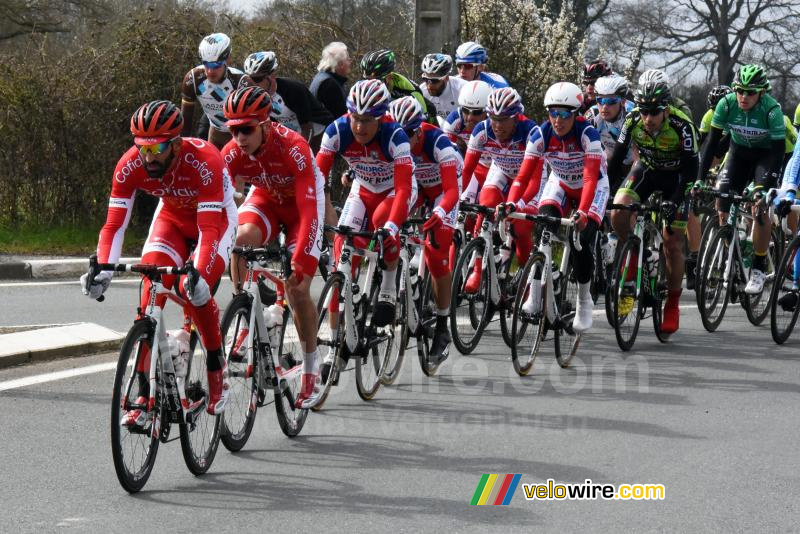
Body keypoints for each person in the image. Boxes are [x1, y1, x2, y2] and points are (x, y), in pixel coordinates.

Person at [81, 100, 237, 418]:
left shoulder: (205, 159)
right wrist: (103, 272)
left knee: (192, 287)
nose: (149, 158)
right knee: (151, 279)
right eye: (143, 149)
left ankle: (215, 368)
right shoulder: (129, 165)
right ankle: (144, 390)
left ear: (177, 144)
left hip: (215, 221)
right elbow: (113, 225)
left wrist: (197, 273)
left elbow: (208, 229)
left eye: (158, 149)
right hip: (172, 219)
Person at [220, 86, 324, 408]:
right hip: (266, 200)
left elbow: (308, 211)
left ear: (265, 124)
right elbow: (218, 206)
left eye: (247, 129)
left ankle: (311, 367)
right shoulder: (232, 153)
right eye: (233, 130)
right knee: (239, 242)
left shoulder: (294, 147)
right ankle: (243, 313)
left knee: (297, 289)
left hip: (301, 208)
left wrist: (302, 262)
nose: (239, 138)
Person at [315, 79, 416, 381]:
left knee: (385, 227)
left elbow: (402, 190)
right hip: (362, 189)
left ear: (382, 117)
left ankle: (386, 285)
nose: (360, 127)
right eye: (356, 119)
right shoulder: (337, 130)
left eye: (368, 120)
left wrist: (392, 227)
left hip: (393, 193)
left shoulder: (395, 136)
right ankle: (335, 346)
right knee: (341, 258)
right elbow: (317, 178)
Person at [505, 82, 610, 332]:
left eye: (564, 114)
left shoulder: (588, 135)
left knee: (581, 241)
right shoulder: (540, 135)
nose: (557, 120)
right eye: (553, 112)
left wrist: (583, 212)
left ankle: (584, 301)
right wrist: (511, 202)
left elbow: (589, 179)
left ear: (576, 114)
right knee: (543, 227)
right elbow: (522, 176)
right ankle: (534, 295)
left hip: (592, 186)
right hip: (561, 182)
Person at [608, 81, 699, 335]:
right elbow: (616, 161)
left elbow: (692, 170)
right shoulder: (632, 120)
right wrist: (604, 193)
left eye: (654, 112)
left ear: (666, 110)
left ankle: (672, 303)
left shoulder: (683, 126)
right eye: (643, 111)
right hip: (647, 170)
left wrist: (676, 199)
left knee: (672, 242)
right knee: (618, 212)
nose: (648, 118)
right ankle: (633, 262)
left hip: (677, 178)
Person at [698, 64, 785, 295]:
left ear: (762, 93)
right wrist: (698, 179)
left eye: (750, 92)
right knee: (722, 198)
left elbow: (777, 154)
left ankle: (757, 267)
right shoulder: (726, 104)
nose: (744, 96)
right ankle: (730, 253)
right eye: (740, 91)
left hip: (764, 157)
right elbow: (711, 145)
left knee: (759, 207)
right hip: (738, 154)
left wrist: (765, 188)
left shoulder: (772, 110)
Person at [388, 96, 462, 363]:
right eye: (398, 134)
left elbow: (452, 191)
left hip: (445, 192)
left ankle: (443, 327)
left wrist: (440, 213)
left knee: (435, 253)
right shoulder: (393, 142)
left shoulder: (440, 144)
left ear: (419, 130)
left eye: (407, 134)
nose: (402, 140)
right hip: (416, 189)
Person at [460, 87, 541, 292]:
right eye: (493, 118)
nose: (497, 125)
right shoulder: (482, 130)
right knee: (484, 206)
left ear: (516, 117)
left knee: (521, 227)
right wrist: (460, 196)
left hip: (528, 176)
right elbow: (467, 170)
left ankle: (525, 273)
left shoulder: (531, 132)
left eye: (504, 119)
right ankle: (478, 269)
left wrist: (517, 204)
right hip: (501, 170)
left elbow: (532, 180)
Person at [243, 51, 333, 143]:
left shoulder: (293, 89)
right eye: (250, 79)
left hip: (319, 133)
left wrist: (303, 150)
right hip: (295, 135)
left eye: (257, 79)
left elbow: (307, 127)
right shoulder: (257, 96)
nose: (253, 84)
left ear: (272, 75)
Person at [180, 33, 251, 150]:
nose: (210, 71)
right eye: (206, 64)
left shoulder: (242, 82)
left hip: (239, 135)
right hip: (214, 132)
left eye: (216, 65)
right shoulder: (193, 79)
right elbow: (185, 121)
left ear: (228, 60)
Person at [442, 80, 493, 203]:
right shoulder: (454, 121)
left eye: (476, 112)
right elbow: (447, 155)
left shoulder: (496, 122)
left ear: (487, 111)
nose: (469, 117)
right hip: (476, 166)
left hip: (500, 169)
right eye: (465, 110)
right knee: (463, 206)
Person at [360, 49, 438, 123]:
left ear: (389, 77)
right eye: (367, 79)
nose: (370, 84)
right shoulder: (361, 87)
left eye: (377, 80)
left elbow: (423, 123)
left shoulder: (409, 90)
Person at [310, 41, 352, 119]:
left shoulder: (323, 78)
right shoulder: (329, 84)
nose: (350, 62)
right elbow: (339, 117)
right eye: (348, 59)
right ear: (340, 64)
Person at [419, 53, 466, 121]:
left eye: (434, 81)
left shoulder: (462, 90)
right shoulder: (422, 91)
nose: (429, 86)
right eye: (426, 79)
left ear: (446, 78)